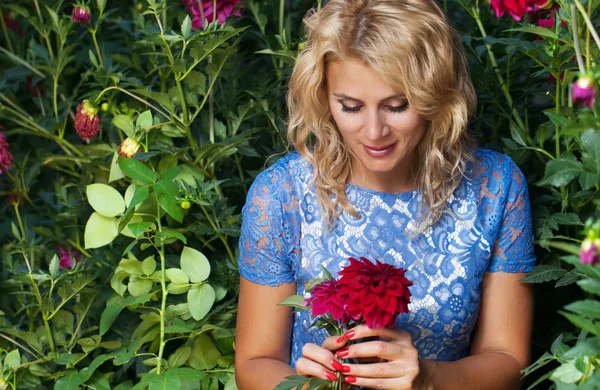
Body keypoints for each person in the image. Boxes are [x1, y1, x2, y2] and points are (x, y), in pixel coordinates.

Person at [234, 0, 536, 389]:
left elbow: (509, 359)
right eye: (351, 106)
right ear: (324, 96)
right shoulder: (281, 195)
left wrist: (428, 380)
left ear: (436, 95)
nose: (374, 132)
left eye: (397, 106)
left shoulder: (495, 187)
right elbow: (254, 363)